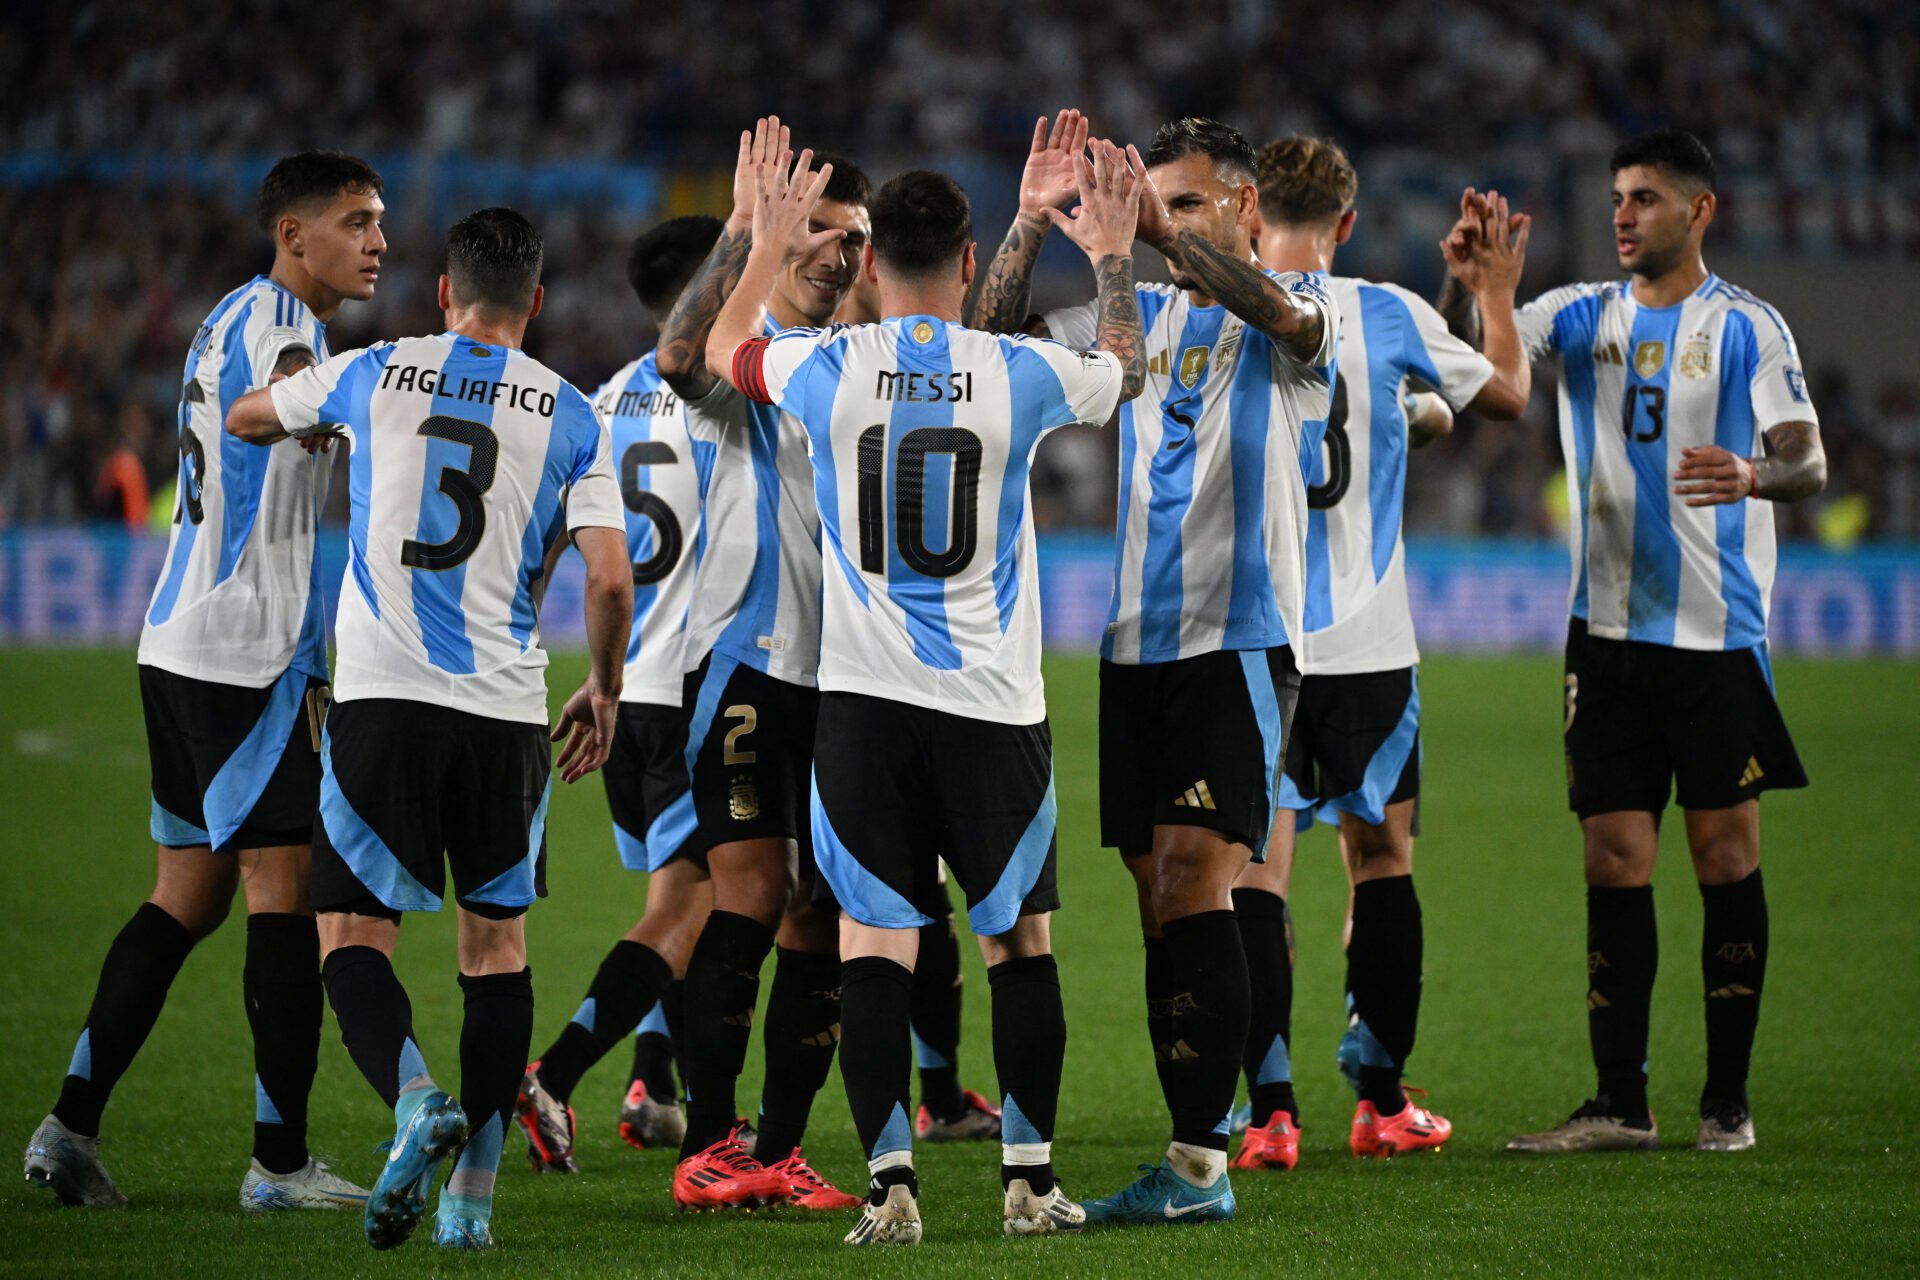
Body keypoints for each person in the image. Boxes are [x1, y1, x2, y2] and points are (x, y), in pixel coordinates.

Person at [706, 145, 1143, 1244]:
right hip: (994, 709)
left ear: (868, 258)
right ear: (966, 257)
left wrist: (763, 239)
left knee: (873, 942)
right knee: (1018, 943)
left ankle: (890, 1184)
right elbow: (1127, 369)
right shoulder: (1015, 371)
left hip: (862, 711)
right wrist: (1114, 256)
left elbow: (720, 348)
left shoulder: (827, 363)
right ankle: (1029, 1182)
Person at [225, 207, 633, 1249]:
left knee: (352, 936)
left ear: (445, 293)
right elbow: (609, 574)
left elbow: (245, 416)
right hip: (504, 711)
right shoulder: (575, 414)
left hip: (381, 700)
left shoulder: (375, 369)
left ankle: (414, 1095)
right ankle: (473, 1202)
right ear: (534, 303)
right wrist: (608, 686)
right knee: (495, 948)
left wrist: (309, 417)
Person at [973, 111, 1336, 1225]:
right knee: (1156, 898)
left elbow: (1273, 306)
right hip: (1134, 643)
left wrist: (1146, 239)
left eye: (1186, 202)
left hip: (1236, 637)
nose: (1163, 221)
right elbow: (985, 349)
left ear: (1246, 209)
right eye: (1156, 200)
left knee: (1193, 878)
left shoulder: (1296, 315)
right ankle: (1196, 1141)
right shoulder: (1125, 313)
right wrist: (1036, 224)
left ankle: (1199, 1164)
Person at [1440, 130, 1824, 1154]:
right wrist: (1470, 283)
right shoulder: (1576, 313)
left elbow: (1806, 456)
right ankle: (1620, 1100)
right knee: (1614, 857)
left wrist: (1752, 474)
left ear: (1699, 211)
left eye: (1645, 198)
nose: (1621, 213)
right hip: (1602, 636)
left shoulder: (1747, 325)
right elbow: (1461, 370)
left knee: (1723, 853)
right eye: (1617, 196)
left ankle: (1727, 1099)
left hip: (1715, 636)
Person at [23, 151, 384, 1214]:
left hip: (177, 637)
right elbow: (266, 415)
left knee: (186, 892)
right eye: (356, 221)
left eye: (379, 223)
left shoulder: (226, 313)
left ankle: (69, 1125)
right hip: (244, 652)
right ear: (292, 234)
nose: (376, 242)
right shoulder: (284, 328)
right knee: (288, 888)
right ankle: (278, 1162)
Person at [1226, 135, 1531, 1169]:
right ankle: (1383, 1097)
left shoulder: (1221, 306)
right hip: (1368, 639)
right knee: (1382, 857)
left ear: (1249, 212)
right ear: (1349, 224)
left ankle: (1270, 1111)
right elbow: (1503, 393)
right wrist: (1491, 292)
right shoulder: (1390, 312)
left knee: (1257, 875)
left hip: (1256, 636)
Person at [651, 118, 870, 1211]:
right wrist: (743, 229)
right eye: (819, 230)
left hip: (849, 678)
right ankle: (710, 1140)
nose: (838, 251)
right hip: (745, 660)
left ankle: (777, 1149)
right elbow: (675, 361)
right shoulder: (752, 356)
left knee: (820, 909)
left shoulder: (859, 367)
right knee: (752, 888)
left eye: (855, 237)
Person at [514, 215, 724, 1174]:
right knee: (693, 906)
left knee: (675, 903)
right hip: (692, 688)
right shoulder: (725, 397)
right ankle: (555, 1073)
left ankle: (660, 1086)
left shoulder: (602, 404)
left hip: (622, 693)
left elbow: (557, 545)